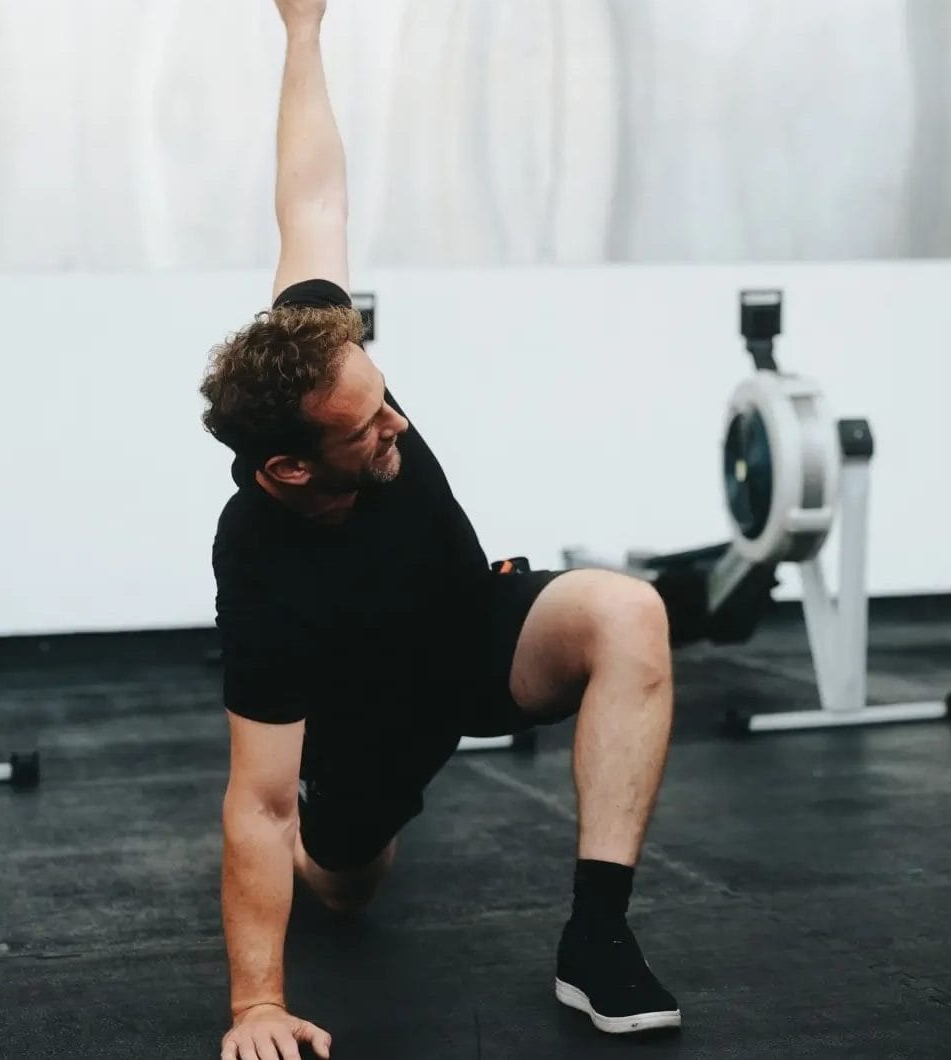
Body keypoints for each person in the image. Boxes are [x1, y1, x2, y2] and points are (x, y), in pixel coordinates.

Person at [200, 3, 680, 1058]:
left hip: (477, 632)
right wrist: (257, 1005)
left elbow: (311, 195)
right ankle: (350, 857)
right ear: (289, 467)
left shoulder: (318, 355)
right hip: (367, 724)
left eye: (387, 395)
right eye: (369, 424)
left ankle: (595, 940)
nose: (399, 424)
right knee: (345, 884)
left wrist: (303, 33)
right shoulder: (260, 565)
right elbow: (260, 800)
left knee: (625, 611)